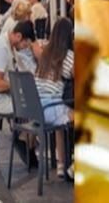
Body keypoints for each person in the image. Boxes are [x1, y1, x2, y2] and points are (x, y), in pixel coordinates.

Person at [35, 17, 75, 179]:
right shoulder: (68, 56)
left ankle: (60, 164)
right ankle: (74, 165)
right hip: (51, 108)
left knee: (61, 122)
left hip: (35, 108)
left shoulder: (45, 52)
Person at [0, 20, 35, 115]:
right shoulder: (2, 48)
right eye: (25, 44)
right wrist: (19, 85)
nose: (24, 48)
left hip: (9, 95)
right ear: (19, 36)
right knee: (36, 105)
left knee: (37, 98)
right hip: (1, 100)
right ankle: (25, 129)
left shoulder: (10, 45)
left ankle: (25, 129)